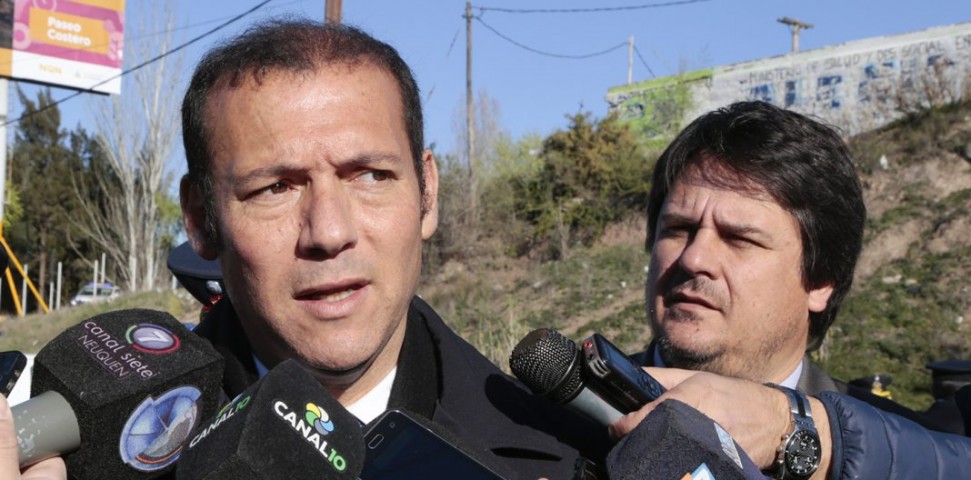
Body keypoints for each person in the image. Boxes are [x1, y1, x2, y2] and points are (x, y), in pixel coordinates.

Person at [178, 18, 606, 479]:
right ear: (201, 220)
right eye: (276, 187)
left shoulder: (568, 453)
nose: (329, 232)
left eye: (371, 176)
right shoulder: (131, 448)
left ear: (428, 194)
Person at [610, 101, 971, 477]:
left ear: (821, 281)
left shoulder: (898, 461)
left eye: (739, 239)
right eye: (678, 229)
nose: (694, 258)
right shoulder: (567, 421)